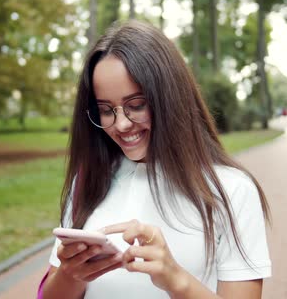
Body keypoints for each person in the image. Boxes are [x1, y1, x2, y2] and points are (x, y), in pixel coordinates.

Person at [40, 20, 271, 299]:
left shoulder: (231, 190)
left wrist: (175, 279)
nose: (122, 124)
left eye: (136, 105)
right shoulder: (88, 181)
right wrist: (69, 273)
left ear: (170, 97)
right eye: (105, 109)